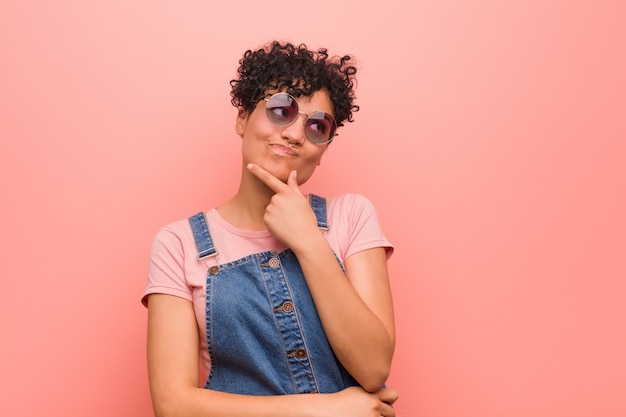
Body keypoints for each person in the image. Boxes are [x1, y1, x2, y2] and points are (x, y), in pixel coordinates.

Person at [142, 40, 398, 417]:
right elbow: (173, 405)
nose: (295, 134)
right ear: (243, 118)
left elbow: (374, 366)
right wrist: (323, 411)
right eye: (281, 110)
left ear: (324, 148)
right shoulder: (179, 244)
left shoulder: (351, 216)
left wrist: (309, 240)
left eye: (316, 126)